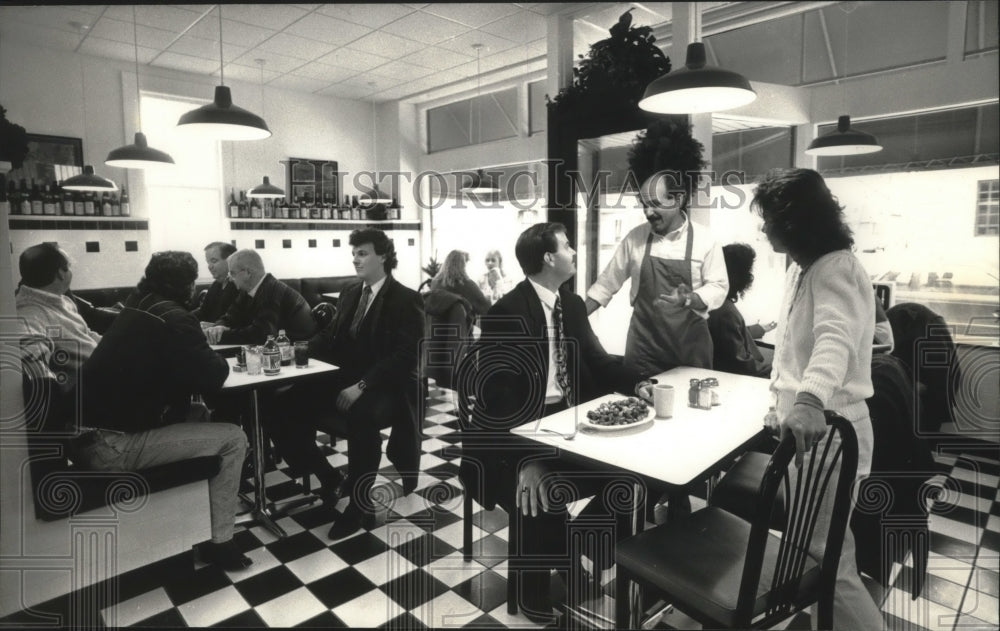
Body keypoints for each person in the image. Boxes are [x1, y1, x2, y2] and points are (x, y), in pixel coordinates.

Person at [466, 222, 654, 622]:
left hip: (568, 421)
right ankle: (534, 586)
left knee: (632, 478)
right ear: (549, 258)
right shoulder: (505, 314)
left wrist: (638, 384)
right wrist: (530, 459)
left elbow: (600, 361)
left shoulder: (569, 305)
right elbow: (496, 401)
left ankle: (573, 544)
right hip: (511, 436)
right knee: (537, 487)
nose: (573, 251)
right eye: (567, 246)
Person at [753, 168, 884, 629]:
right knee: (815, 552)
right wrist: (782, 403)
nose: (763, 227)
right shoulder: (803, 267)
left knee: (828, 563)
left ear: (795, 221)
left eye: (769, 218)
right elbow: (794, 345)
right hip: (811, 435)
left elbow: (833, 339)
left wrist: (807, 400)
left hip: (831, 433)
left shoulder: (835, 266)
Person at [71, 251, 251, 571]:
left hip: (87, 435)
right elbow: (215, 375)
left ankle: (195, 523)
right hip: (111, 447)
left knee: (198, 413)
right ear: (189, 285)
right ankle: (221, 543)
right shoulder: (176, 316)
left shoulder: (139, 306)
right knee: (234, 437)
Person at [270, 229, 424, 540]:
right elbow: (330, 337)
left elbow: (405, 356)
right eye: (353, 253)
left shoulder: (407, 298)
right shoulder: (351, 292)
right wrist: (296, 352)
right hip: (345, 378)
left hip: (387, 386)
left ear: (383, 256)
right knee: (282, 404)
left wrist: (362, 386)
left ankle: (359, 503)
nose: (355, 259)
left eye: (362, 253)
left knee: (362, 416)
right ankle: (329, 477)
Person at [585, 118, 728, 375]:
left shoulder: (707, 241)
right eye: (644, 203)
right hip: (644, 354)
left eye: (655, 204)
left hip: (690, 354)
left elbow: (718, 287)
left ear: (678, 198)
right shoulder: (635, 239)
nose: (648, 212)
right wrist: (570, 321)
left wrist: (690, 298)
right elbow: (605, 286)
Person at [15, 243, 101, 391]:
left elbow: (86, 333)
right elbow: (33, 361)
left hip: (106, 366)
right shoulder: (30, 313)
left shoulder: (63, 300)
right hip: (90, 386)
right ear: (61, 273)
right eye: (69, 266)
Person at [204, 249, 315, 344]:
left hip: (300, 353)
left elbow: (263, 334)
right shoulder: (248, 290)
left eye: (232, 273)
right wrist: (217, 328)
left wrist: (221, 336)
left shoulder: (271, 291)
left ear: (248, 273)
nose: (230, 278)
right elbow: (229, 317)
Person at [707, 243, 773, 377]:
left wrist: (759, 329)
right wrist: (777, 368)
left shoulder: (713, 300)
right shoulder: (725, 311)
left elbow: (729, 335)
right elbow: (742, 364)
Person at [430, 249, 491, 317]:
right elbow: (485, 309)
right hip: (461, 325)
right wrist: (489, 297)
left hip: (435, 326)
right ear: (463, 265)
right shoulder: (467, 284)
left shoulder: (434, 282)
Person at [193, 241, 239, 324]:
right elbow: (203, 311)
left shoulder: (240, 286)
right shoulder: (216, 284)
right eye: (208, 262)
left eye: (214, 261)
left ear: (230, 261)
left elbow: (234, 320)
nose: (209, 266)